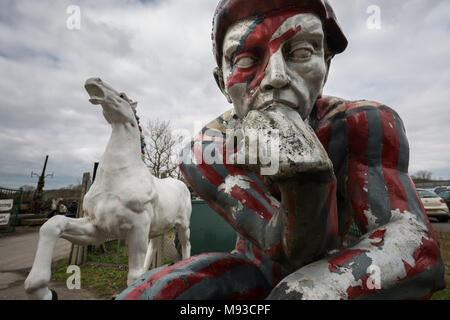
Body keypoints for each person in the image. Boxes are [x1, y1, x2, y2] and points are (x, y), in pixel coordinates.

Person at [117, 0, 445, 300]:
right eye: (246, 59)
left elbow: (416, 247)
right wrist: (305, 183)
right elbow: (285, 249)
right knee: (155, 292)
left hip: (346, 266)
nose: (276, 77)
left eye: (301, 52)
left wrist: (306, 290)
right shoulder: (206, 152)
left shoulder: (364, 123)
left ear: (326, 65)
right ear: (223, 82)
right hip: (254, 269)